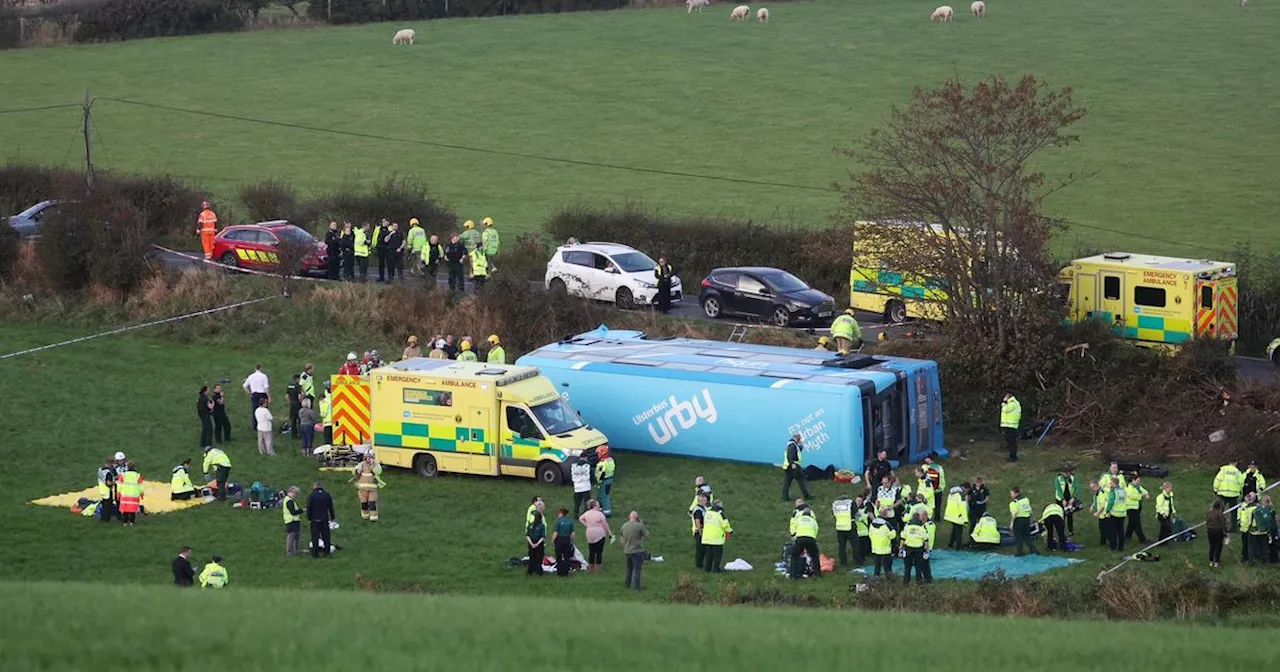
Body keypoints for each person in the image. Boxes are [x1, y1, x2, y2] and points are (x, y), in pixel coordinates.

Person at [579, 499, 612, 572]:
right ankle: (598, 567)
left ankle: (591, 567)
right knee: (599, 552)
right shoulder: (600, 514)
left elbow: (580, 518)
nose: (599, 505)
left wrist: (587, 524)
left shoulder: (587, 513)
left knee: (592, 551)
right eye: (597, 504)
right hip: (599, 533)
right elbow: (605, 524)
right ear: (594, 506)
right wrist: (609, 532)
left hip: (590, 532)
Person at [306, 480, 337, 558]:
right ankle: (327, 552)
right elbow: (330, 507)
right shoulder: (326, 494)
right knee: (326, 536)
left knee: (315, 537)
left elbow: (309, 507)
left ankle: (315, 554)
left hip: (314, 519)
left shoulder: (311, 495)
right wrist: (332, 517)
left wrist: (309, 518)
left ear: (314, 486)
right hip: (324, 519)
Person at [901, 511, 933, 585]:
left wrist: (901, 548)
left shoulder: (907, 527)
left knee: (907, 567)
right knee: (918, 566)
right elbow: (926, 540)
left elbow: (902, 538)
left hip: (908, 548)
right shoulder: (922, 528)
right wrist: (926, 551)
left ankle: (906, 582)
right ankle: (918, 581)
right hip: (918, 549)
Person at [351, 453, 385, 522]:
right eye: (367, 457)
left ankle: (373, 516)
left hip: (372, 488)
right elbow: (354, 471)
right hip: (362, 487)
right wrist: (357, 471)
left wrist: (372, 467)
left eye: (370, 457)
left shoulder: (376, 464)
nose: (368, 459)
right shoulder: (361, 464)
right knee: (364, 502)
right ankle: (365, 515)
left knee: (372, 502)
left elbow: (378, 472)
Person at [621, 511, 648, 592]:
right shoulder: (639, 526)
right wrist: (642, 524)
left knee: (629, 568)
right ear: (637, 518)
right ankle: (637, 588)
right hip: (637, 551)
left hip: (627, 551)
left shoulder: (624, 525)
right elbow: (646, 534)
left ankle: (627, 584)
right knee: (637, 570)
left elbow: (621, 536)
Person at [790, 506, 821, 578]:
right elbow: (816, 529)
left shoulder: (799, 519)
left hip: (800, 539)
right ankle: (817, 574)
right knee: (815, 556)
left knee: (794, 556)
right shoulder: (813, 520)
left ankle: (793, 575)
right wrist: (813, 537)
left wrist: (794, 536)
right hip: (810, 539)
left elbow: (793, 529)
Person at [1212, 460, 1242, 532]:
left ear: (1229, 462)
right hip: (1233, 494)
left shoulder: (1223, 470)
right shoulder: (1237, 472)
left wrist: (1215, 490)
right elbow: (1241, 482)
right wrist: (1240, 491)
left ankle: (1217, 526)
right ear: (1236, 463)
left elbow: (1217, 480)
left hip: (1223, 493)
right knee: (1234, 512)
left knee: (1219, 511)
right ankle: (1233, 528)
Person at [701, 500, 731, 573]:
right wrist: (730, 531)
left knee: (708, 555)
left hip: (707, 538)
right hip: (716, 539)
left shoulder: (707, 513)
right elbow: (725, 525)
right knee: (717, 556)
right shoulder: (720, 513)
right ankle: (716, 569)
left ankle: (707, 569)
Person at [782, 433, 810, 501]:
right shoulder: (792, 445)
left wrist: (800, 446)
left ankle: (785, 497)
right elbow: (790, 455)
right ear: (796, 438)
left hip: (789, 467)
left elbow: (797, 453)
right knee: (801, 481)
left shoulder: (793, 444)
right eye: (799, 438)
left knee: (787, 483)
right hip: (793, 467)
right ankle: (806, 496)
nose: (800, 440)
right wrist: (792, 464)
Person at [1008, 486, 1036, 556]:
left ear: (1016, 493)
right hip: (1026, 519)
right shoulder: (1026, 499)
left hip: (1018, 520)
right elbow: (1030, 509)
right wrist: (1033, 518)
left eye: (1012, 493)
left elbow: (1014, 513)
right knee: (1027, 536)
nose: (1011, 495)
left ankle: (1020, 552)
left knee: (1018, 537)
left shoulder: (1013, 503)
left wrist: (1011, 523)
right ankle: (1033, 550)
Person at [242, 364, 270, 433]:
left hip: (255, 394)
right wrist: (269, 396)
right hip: (262, 394)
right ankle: (264, 424)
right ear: (261, 368)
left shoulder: (251, 376)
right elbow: (266, 387)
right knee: (264, 409)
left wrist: (250, 393)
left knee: (255, 410)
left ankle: (255, 425)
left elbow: (244, 386)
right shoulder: (264, 376)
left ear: (255, 369)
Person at [1054, 464, 1078, 537]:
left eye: (1067, 472)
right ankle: (1061, 531)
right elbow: (1058, 489)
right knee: (1061, 515)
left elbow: (1077, 488)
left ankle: (1071, 531)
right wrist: (1062, 499)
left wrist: (1073, 498)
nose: (1066, 474)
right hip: (1060, 499)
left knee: (1070, 514)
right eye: (1064, 472)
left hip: (1070, 498)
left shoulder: (1073, 478)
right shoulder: (1058, 479)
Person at [832, 492, 856, 566]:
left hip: (840, 527)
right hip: (850, 526)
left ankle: (843, 562)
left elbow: (834, 514)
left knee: (842, 546)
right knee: (855, 545)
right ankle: (858, 560)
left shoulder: (835, 504)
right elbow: (856, 512)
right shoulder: (850, 502)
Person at [1124, 475, 1150, 544]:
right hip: (1131, 508)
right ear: (1133, 480)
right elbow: (1131, 496)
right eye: (1137, 481)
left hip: (1137, 507)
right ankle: (1142, 539)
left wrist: (1146, 494)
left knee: (1132, 523)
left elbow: (1144, 491)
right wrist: (1141, 496)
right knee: (1137, 523)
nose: (1139, 482)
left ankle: (1127, 536)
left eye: (1139, 481)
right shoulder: (1128, 488)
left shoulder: (1138, 487)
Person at [1249, 494, 1274, 564]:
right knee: (1264, 546)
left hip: (1254, 531)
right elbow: (1271, 521)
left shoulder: (1256, 509)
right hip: (1264, 531)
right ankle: (1265, 560)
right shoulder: (1269, 510)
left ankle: (1251, 560)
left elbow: (1250, 520)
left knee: (1252, 546)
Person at [117, 462, 143, 526]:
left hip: (125, 495)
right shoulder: (137, 476)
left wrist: (118, 493)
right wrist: (141, 493)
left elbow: (119, 485)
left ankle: (125, 522)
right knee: (133, 510)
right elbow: (141, 486)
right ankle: (132, 522)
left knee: (125, 509)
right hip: (134, 495)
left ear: (127, 467)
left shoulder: (123, 475)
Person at [552, 508, 575, 577]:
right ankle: (566, 572)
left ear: (561, 513)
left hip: (559, 539)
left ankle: (560, 572)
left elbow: (556, 533)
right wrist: (571, 541)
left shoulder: (558, 521)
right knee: (566, 556)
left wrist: (552, 540)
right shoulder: (570, 521)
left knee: (559, 556)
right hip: (567, 539)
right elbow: (573, 533)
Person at [595, 445, 616, 517]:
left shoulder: (602, 463)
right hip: (609, 479)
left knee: (603, 496)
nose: (597, 455)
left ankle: (606, 512)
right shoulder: (610, 460)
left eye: (598, 453)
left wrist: (598, 482)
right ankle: (600, 509)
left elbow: (601, 474)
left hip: (604, 481)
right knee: (604, 495)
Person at [690, 492, 709, 570]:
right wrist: (700, 532)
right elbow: (697, 521)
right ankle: (699, 565)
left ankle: (701, 564)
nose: (703, 500)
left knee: (703, 549)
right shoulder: (698, 510)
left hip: (704, 531)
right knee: (700, 549)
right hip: (699, 532)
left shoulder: (704, 508)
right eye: (702, 498)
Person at [1000, 392, 1021, 461]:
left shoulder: (1012, 403)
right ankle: (1013, 456)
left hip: (1010, 425)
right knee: (1011, 442)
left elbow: (1005, 409)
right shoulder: (1014, 403)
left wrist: (1004, 402)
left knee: (1011, 442)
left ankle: (1013, 458)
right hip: (1010, 425)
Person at [282, 486, 303, 557]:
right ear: (292, 492)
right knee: (291, 536)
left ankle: (296, 550)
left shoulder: (290, 500)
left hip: (295, 521)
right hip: (291, 521)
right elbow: (293, 512)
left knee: (297, 536)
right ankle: (289, 552)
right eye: (296, 493)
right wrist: (301, 510)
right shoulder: (288, 501)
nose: (296, 495)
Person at [1206, 499, 1227, 568]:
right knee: (1218, 547)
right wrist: (1225, 532)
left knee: (1212, 546)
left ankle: (1211, 561)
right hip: (1218, 531)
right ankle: (1217, 562)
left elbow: (1207, 521)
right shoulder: (1220, 513)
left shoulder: (1210, 512)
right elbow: (1223, 523)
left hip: (1210, 530)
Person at [1237, 491, 1258, 563]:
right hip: (1243, 528)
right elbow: (1239, 512)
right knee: (1244, 543)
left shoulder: (1254, 507)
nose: (1248, 497)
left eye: (1250, 496)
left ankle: (1251, 558)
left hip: (1249, 529)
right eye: (1248, 495)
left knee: (1251, 544)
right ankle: (1245, 557)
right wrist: (1238, 519)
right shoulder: (1243, 505)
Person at [526, 511, 547, 576]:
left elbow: (527, 535)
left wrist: (532, 544)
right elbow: (543, 536)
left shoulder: (530, 525)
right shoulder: (541, 526)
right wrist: (537, 544)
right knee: (538, 557)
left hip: (531, 542)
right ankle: (538, 571)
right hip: (538, 543)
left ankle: (530, 571)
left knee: (532, 557)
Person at [285, 374, 302, 439]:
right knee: (300, 419)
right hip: (297, 404)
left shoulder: (289, 385)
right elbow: (299, 397)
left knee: (293, 420)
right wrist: (301, 401)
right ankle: (300, 434)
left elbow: (286, 396)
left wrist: (290, 401)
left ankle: (293, 435)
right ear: (297, 379)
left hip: (292, 404)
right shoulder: (298, 386)